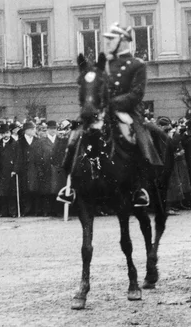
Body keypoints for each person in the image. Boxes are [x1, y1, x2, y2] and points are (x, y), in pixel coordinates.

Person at [58, 22, 163, 207]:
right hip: (99, 110)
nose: (107, 43)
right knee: (74, 136)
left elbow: (137, 93)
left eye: (111, 39)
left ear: (123, 41)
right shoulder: (103, 64)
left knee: (138, 137)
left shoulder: (137, 64)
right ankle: (70, 187)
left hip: (126, 110)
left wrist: (112, 103)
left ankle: (140, 188)